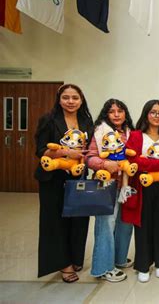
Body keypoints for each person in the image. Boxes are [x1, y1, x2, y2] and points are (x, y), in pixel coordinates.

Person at [34, 84, 94, 283]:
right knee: (56, 222)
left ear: (81, 100)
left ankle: (75, 257)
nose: (70, 101)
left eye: (75, 98)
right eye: (66, 97)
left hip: (78, 176)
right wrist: (66, 152)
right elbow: (41, 150)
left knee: (78, 220)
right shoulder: (49, 120)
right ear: (59, 99)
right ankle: (63, 264)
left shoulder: (86, 120)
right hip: (53, 178)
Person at [122, 100, 159, 283]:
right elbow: (134, 160)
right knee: (143, 225)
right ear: (146, 114)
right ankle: (143, 265)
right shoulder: (136, 136)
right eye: (153, 112)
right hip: (143, 186)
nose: (157, 115)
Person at [86, 99, 135, 282]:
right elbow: (89, 158)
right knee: (106, 226)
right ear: (106, 114)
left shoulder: (130, 132)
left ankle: (119, 259)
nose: (116, 114)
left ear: (125, 113)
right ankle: (103, 268)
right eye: (112, 111)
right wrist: (105, 163)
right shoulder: (99, 132)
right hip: (106, 185)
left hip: (127, 185)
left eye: (120, 111)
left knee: (125, 222)